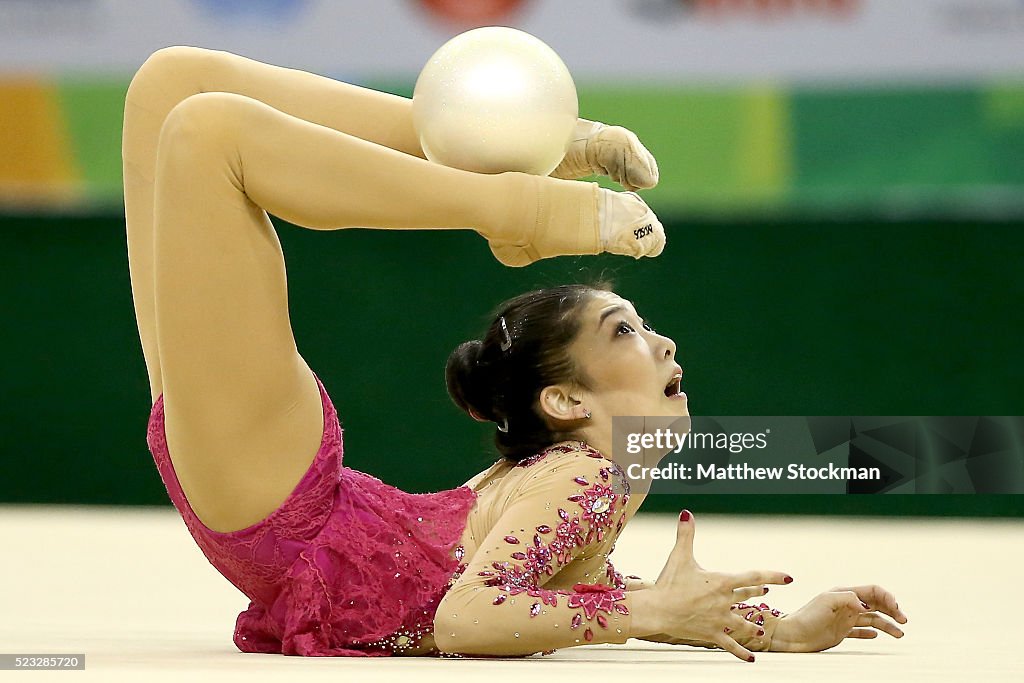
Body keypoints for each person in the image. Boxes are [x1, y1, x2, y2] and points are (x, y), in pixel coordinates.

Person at [126, 47, 907, 660]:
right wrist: (777, 627)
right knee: (175, 88)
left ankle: (516, 192)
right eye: (630, 330)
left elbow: (476, 609)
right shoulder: (589, 478)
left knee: (208, 132)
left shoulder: (585, 475)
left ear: (565, 404)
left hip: (298, 515)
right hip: (285, 503)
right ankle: (517, 162)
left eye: (628, 328)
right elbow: (513, 603)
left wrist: (669, 611)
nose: (666, 340)